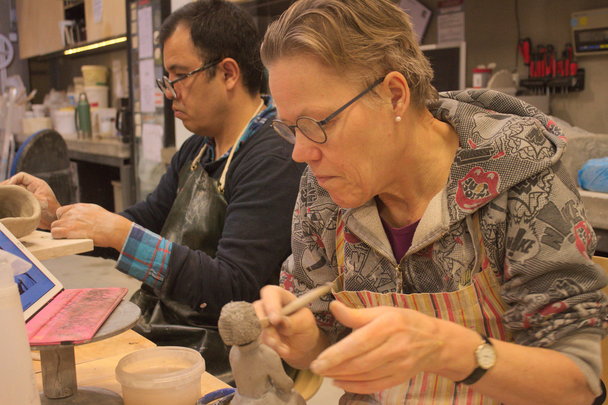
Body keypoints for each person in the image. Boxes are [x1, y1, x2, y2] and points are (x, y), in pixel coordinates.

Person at [253, 0, 608, 404]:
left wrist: (444, 348)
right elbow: (325, 344)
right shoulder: (324, 192)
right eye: (290, 128)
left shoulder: (519, 174)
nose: (300, 152)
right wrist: (306, 342)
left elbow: (575, 385)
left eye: (316, 124)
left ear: (394, 96)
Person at [4, 0, 304, 375]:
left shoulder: (273, 155)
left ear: (228, 73)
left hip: (230, 353)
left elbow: (233, 287)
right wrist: (55, 216)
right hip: (169, 327)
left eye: (179, 77)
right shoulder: (197, 149)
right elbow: (146, 218)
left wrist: (121, 234)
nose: (169, 92)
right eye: (166, 79)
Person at [218, 301, 306, 405]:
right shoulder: (265, 354)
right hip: (263, 401)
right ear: (255, 322)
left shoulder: (233, 352)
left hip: (239, 400)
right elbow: (284, 384)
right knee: (296, 398)